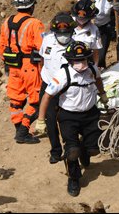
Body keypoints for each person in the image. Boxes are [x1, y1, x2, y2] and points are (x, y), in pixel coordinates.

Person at [36, 41, 109, 197]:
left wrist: (102, 94)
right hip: (69, 117)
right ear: (69, 61)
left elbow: (98, 80)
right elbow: (47, 96)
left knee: (94, 148)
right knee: (72, 150)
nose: (80, 64)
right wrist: (41, 120)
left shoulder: (92, 69)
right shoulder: (63, 75)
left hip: (90, 114)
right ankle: (73, 178)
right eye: (76, 61)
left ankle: (85, 151)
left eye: (83, 60)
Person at [0, 0, 45, 144]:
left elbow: (2, 48)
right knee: (37, 100)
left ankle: (18, 129)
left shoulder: (7, 22)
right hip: (30, 66)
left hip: (13, 66)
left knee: (16, 100)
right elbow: (42, 47)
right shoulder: (35, 23)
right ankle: (23, 131)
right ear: (32, 6)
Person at [39, 12, 76, 164]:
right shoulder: (47, 40)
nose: (63, 36)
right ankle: (55, 150)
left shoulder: (76, 46)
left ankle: (71, 147)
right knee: (50, 120)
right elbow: (42, 59)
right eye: (60, 33)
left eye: (66, 33)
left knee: (67, 120)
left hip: (68, 89)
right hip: (48, 85)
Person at [78, 0, 118, 69]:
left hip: (104, 29)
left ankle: (100, 72)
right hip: (88, 29)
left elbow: (117, 10)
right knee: (88, 55)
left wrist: (118, 7)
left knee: (100, 56)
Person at [71, 0, 103, 67]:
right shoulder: (68, 24)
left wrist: (95, 68)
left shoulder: (94, 30)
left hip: (85, 64)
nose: (81, 20)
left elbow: (95, 52)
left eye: (84, 18)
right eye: (79, 18)